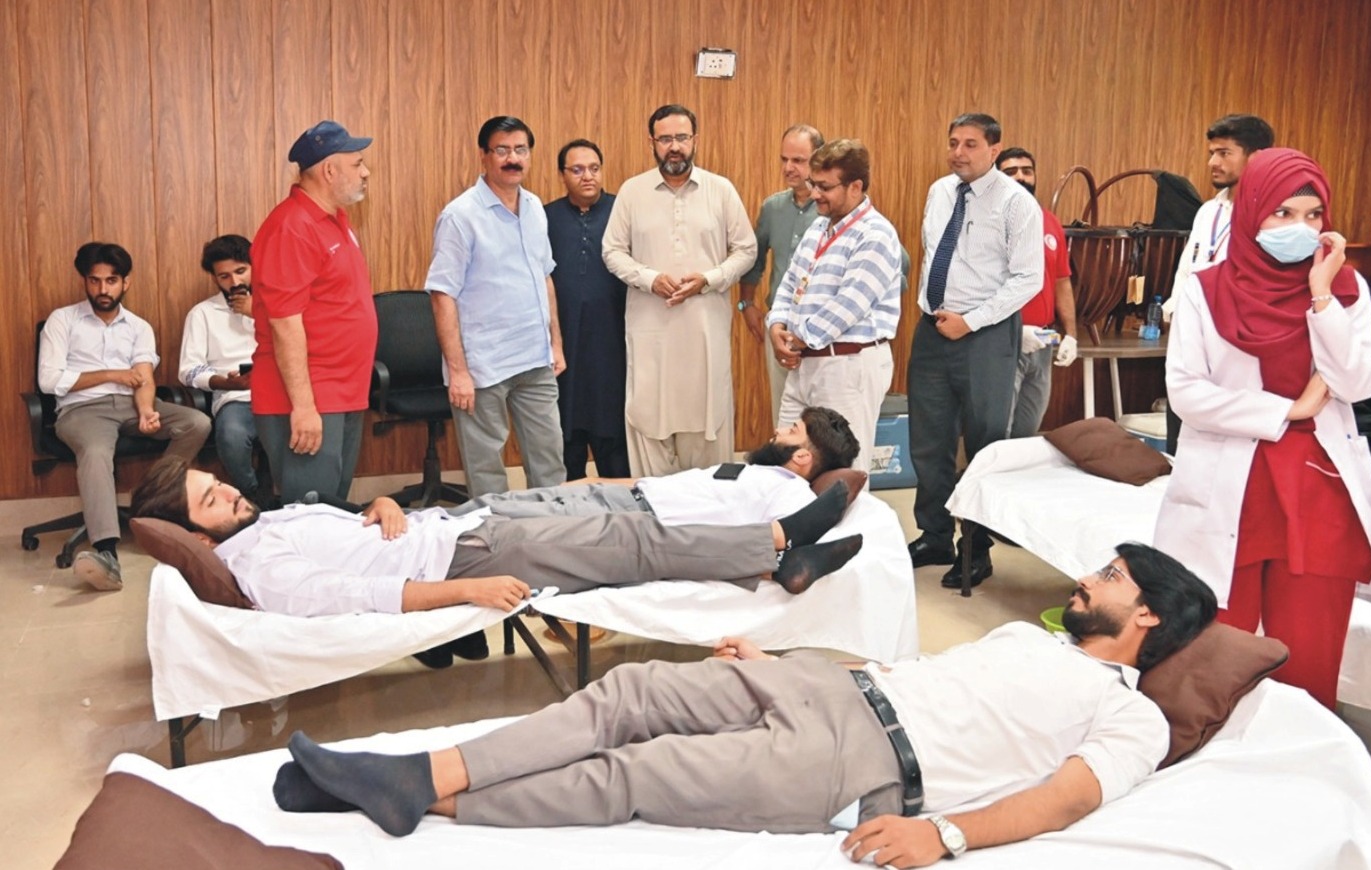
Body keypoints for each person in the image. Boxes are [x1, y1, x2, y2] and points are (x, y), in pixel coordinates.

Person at [270, 542, 1217, 865]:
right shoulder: (1034, 640)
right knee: (631, 689)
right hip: (830, 684)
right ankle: (415, 774)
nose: (1087, 579)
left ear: (1148, 618)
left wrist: (946, 836)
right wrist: (787, 656)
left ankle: (424, 798)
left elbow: (1066, 800)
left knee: (636, 773)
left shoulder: (1133, 716)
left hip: (861, 767)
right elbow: (914, 673)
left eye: (1111, 577)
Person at [1153, 148, 1371, 710]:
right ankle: (1212, 757)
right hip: (1232, 489)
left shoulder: (1346, 290)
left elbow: (1361, 382)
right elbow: (1186, 392)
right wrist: (1287, 411)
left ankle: (1301, 754)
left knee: (1308, 666)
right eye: (1282, 213)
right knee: (1210, 663)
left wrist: (1322, 296)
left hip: (1318, 494)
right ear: (1252, 210)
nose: (1299, 228)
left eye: (1313, 215)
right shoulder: (1206, 290)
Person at [130, 451, 863, 622]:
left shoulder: (265, 522)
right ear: (198, 532)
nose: (227, 491)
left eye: (214, 482)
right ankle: (778, 544)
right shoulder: (258, 563)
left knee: (609, 506)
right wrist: (468, 592)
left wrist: (381, 503)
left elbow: (351, 530)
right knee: (626, 542)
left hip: (460, 522)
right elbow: (356, 593)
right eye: (209, 500)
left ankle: (772, 548)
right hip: (467, 557)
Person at [908, 113, 1043, 589]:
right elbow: (933, 254)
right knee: (928, 439)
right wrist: (937, 312)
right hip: (932, 330)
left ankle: (977, 548)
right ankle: (935, 536)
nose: (958, 153)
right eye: (953, 143)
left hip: (985, 335)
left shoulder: (1016, 203)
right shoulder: (940, 191)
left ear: (994, 150)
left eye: (970, 144)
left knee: (984, 443)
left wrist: (972, 320)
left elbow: (1029, 278)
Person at [39, 242, 212, 591]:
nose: (103, 289)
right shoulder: (63, 320)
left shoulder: (138, 326)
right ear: (85, 281)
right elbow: (49, 380)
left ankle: (153, 503)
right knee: (95, 452)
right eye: (95, 280)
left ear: (125, 283)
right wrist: (111, 374)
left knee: (197, 423)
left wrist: (146, 410)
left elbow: (143, 376)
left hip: (132, 405)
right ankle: (106, 552)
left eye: (111, 281)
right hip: (82, 409)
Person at [602, 104, 757, 476]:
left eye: (682, 138)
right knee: (648, 416)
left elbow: (747, 249)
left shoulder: (720, 190)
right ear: (652, 143)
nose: (675, 147)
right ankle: (654, 507)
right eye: (666, 139)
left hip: (704, 332)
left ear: (695, 140)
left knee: (707, 420)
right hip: (651, 333)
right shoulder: (632, 191)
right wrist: (649, 278)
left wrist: (710, 279)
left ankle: (708, 506)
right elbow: (612, 251)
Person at [427, 116, 566, 497]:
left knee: (550, 462)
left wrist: (555, 343)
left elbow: (545, 276)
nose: (512, 159)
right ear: (484, 156)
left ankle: (551, 529)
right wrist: (458, 372)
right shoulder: (460, 215)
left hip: (535, 358)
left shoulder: (535, 207)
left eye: (521, 150)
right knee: (486, 471)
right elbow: (442, 294)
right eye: (502, 150)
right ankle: (495, 533)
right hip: (482, 366)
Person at [455, 406, 859, 528]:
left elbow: (786, 539)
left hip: (632, 519)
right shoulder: (755, 472)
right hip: (622, 497)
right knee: (501, 504)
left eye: (792, 431)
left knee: (495, 517)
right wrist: (596, 480)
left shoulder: (789, 493)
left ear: (803, 457)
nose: (778, 430)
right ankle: (426, 529)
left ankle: (427, 535)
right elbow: (666, 485)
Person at [250, 120, 377, 504]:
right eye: (357, 163)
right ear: (329, 170)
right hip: (309, 398)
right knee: (309, 516)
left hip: (344, 391)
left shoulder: (336, 220)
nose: (366, 172)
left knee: (333, 510)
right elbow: (284, 325)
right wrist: (304, 408)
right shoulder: (291, 228)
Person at [767, 139, 903, 476]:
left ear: (855, 186)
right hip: (805, 363)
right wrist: (776, 325)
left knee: (843, 473)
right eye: (813, 184)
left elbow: (849, 305)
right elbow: (789, 283)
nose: (815, 194)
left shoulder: (876, 234)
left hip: (847, 366)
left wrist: (795, 339)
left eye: (825, 187)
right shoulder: (818, 227)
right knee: (784, 460)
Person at [545, 139, 630, 480]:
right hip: (563, 342)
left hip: (613, 341)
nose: (588, 176)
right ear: (562, 175)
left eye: (594, 168)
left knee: (613, 430)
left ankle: (620, 504)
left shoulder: (622, 211)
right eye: (577, 170)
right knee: (565, 431)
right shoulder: (545, 217)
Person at [740, 124, 825, 421]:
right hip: (780, 328)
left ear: (819, 159)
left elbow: (897, 263)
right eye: (784, 159)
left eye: (798, 160)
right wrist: (746, 304)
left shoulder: (836, 208)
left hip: (825, 331)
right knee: (784, 417)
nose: (788, 168)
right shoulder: (773, 208)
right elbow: (753, 260)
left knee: (823, 423)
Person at [995, 147, 1080, 436]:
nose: (1020, 177)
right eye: (1010, 172)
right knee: (997, 433)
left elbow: (1061, 281)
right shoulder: (989, 222)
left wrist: (1071, 335)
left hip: (1043, 342)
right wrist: (1012, 331)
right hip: (1003, 341)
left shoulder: (1050, 221)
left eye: (1027, 171)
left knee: (1028, 430)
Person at [179, 234, 268, 505]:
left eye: (241, 271)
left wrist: (257, 312)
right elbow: (188, 370)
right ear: (215, 278)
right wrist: (225, 382)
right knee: (232, 436)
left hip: (280, 394)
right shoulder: (202, 314)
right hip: (234, 397)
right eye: (224, 276)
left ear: (254, 267)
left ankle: (288, 499)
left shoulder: (276, 307)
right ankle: (252, 496)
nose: (235, 282)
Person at [1166, 115, 1274, 319]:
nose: (1212, 163)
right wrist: (1175, 313)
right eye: (1212, 153)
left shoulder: (1272, 216)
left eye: (1224, 153)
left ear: (1256, 158)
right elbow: (1186, 271)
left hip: (1238, 326)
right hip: (1191, 325)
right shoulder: (1208, 211)